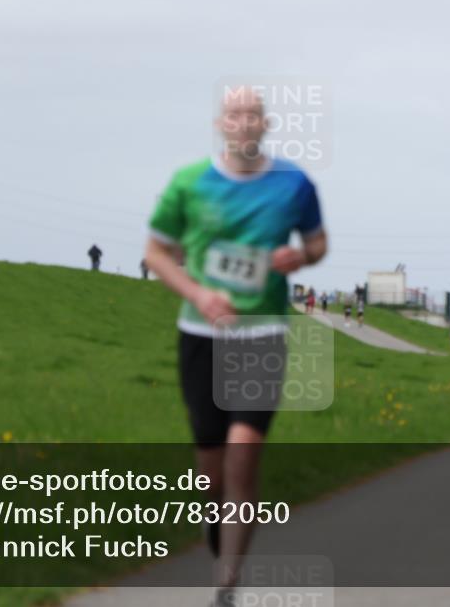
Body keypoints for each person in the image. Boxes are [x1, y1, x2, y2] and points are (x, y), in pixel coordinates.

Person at [143, 86, 327, 604]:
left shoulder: (294, 184)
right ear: (221, 124)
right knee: (210, 471)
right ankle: (213, 522)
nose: (244, 122)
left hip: (263, 333)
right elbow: (156, 254)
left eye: (253, 114)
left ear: (265, 125)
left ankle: (228, 581)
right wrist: (199, 293)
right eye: (234, 114)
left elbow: (317, 242)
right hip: (202, 335)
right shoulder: (189, 183)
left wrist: (302, 258)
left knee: (244, 453)